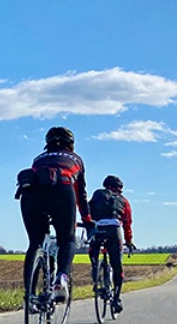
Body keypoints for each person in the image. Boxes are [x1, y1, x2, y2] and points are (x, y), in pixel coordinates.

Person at [17, 126, 91, 303]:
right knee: (67, 239)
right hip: (62, 191)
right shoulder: (76, 159)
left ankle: (29, 295)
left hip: (30, 194)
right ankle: (62, 278)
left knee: (35, 243)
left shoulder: (38, 159)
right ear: (71, 144)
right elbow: (81, 193)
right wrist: (87, 219)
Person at [87, 174, 135, 313]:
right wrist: (129, 240)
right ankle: (117, 298)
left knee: (93, 251)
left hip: (98, 229)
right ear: (119, 188)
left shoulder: (97, 195)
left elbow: (88, 210)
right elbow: (127, 222)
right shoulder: (123, 200)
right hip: (114, 230)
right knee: (117, 265)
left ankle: (96, 273)